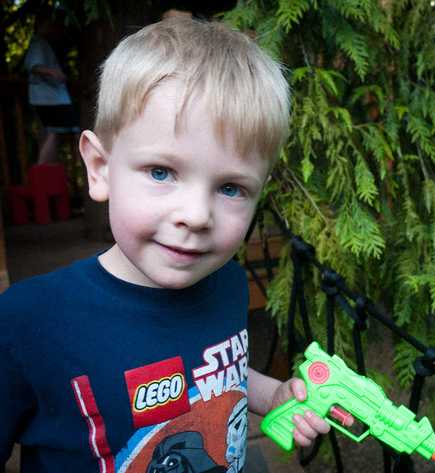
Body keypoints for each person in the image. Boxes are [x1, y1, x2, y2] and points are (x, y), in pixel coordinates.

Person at [0, 18, 333, 472]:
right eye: (161, 172)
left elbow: (221, 381)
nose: (196, 216)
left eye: (231, 188)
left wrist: (272, 394)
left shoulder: (229, 284)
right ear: (99, 168)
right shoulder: (28, 323)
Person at [24, 12, 80, 164]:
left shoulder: (43, 43)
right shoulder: (39, 43)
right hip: (49, 98)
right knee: (55, 132)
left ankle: (47, 173)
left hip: (51, 97)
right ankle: (44, 173)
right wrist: (54, 72)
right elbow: (35, 67)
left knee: (52, 133)